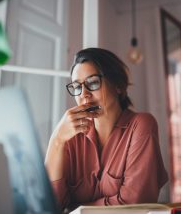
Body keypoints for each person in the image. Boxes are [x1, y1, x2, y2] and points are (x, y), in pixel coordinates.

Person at [45, 48, 168, 211]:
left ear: (118, 85)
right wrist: (56, 140)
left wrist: (76, 209)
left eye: (93, 82)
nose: (84, 95)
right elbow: (50, 206)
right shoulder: (70, 137)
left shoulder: (141, 125)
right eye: (77, 87)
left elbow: (134, 205)